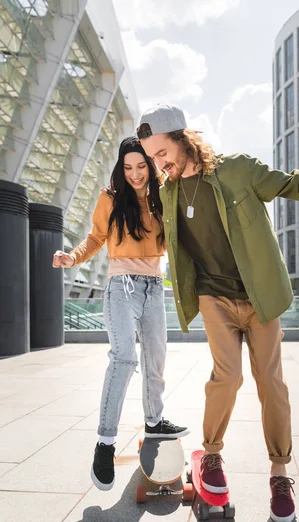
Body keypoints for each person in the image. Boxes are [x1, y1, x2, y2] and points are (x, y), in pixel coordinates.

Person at [137, 104, 299, 522]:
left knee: (270, 382)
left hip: (260, 297)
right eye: (152, 157)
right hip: (214, 297)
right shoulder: (167, 192)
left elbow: (296, 185)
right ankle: (212, 456)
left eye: (161, 152)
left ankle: (279, 472)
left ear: (183, 139)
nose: (158, 163)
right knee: (228, 375)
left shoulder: (238, 170)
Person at [53, 137, 189, 491]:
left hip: (154, 286)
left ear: (150, 165)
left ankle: (155, 422)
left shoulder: (163, 197)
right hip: (121, 288)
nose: (135, 174)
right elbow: (96, 238)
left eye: (141, 166)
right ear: (121, 168)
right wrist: (72, 257)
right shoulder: (110, 198)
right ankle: (105, 443)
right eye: (128, 167)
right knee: (124, 359)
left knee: (156, 359)